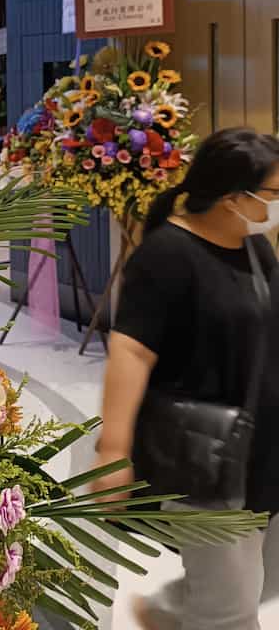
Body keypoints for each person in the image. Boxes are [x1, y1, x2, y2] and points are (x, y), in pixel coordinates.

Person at [92, 128, 279, 630]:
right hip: (207, 458)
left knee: (259, 578)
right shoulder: (166, 258)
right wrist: (113, 451)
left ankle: (171, 613)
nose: (276, 206)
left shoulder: (255, 250)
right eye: (272, 195)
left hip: (262, 451)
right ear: (232, 198)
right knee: (231, 607)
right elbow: (130, 352)